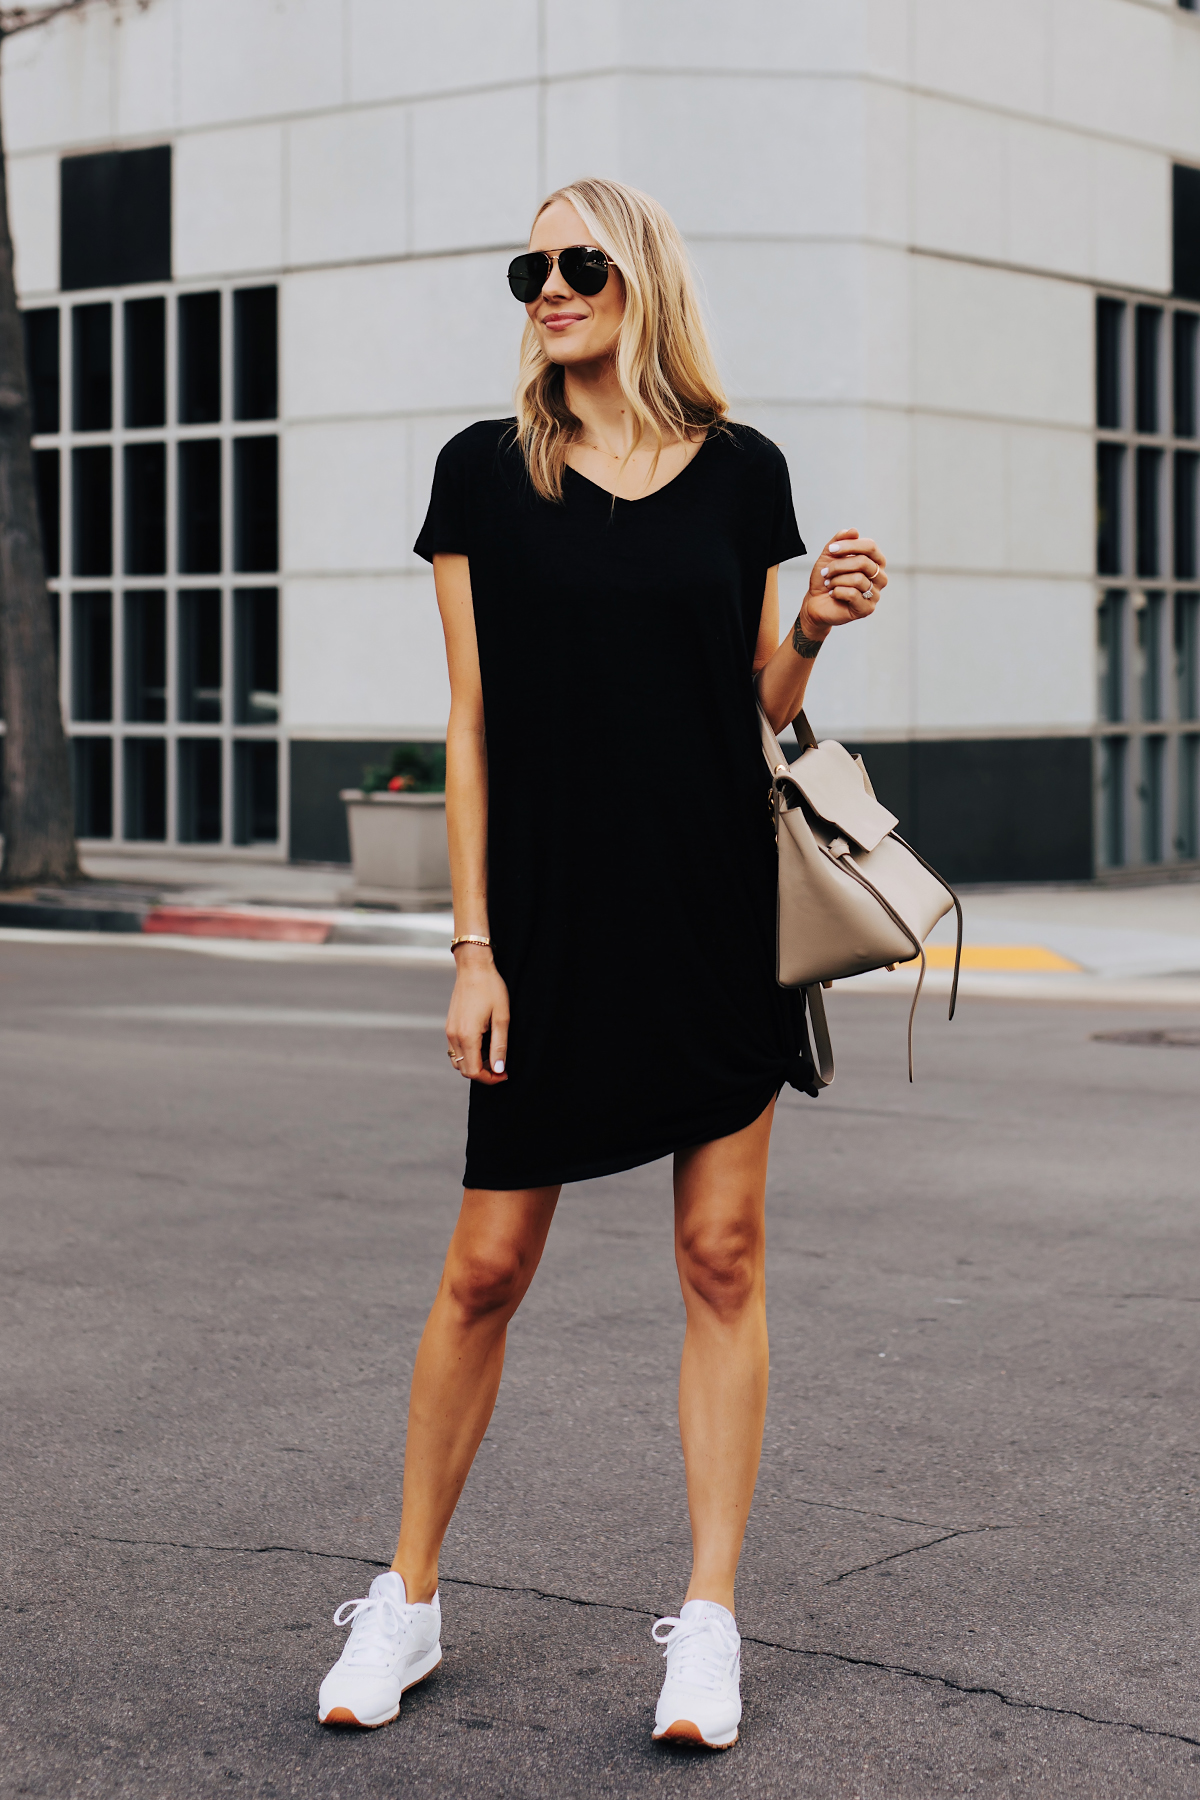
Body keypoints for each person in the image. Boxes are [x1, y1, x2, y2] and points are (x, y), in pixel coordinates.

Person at [317, 177, 886, 1750]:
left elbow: (750, 706)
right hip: (552, 930)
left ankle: (706, 1623)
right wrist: (473, 945)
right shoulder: (484, 479)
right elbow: (472, 726)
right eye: (532, 266)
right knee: (485, 1268)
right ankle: (409, 1598)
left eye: (580, 263)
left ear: (641, 283)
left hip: (714, 917)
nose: (550, 286)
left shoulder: (742, 474)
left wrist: (817, 630)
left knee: (721, 1258)